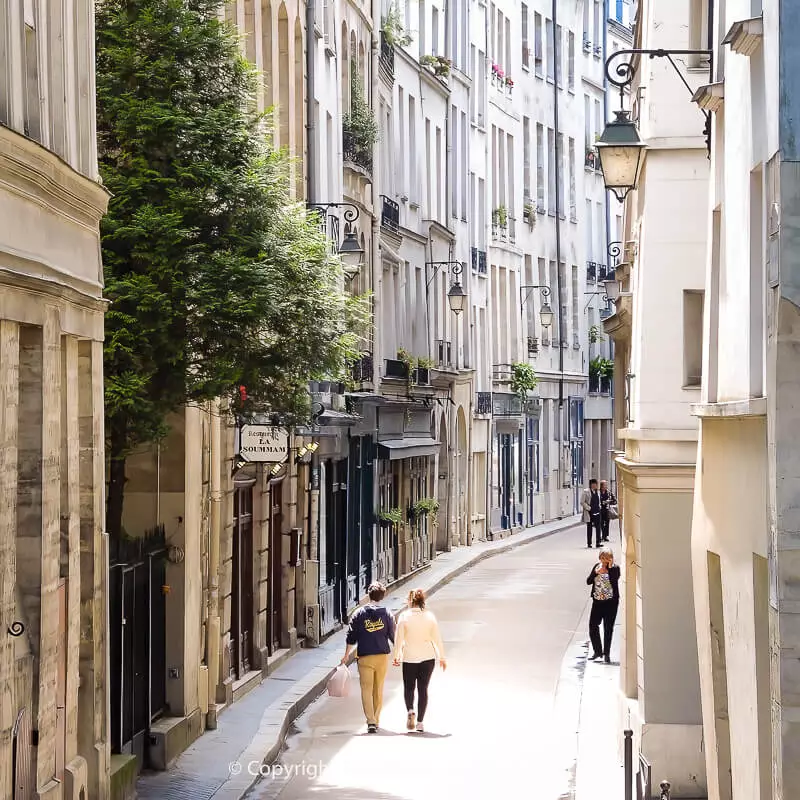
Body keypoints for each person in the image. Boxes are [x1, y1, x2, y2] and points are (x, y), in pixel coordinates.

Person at [341, 582, 396, 733]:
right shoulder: (387, 613)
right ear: (382, 596)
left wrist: (346, 655)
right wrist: (399, 652)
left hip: (365, 656)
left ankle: (370, 721)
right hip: (381, 656)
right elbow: (393, 636)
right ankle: (376, 720)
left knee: (366, 689)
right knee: (378, 689)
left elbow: (351, 636)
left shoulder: (358, 613)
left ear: (369, 594)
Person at [392, 588, 446, 733]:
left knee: (409, 687)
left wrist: (396, 656)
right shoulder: (429, 616)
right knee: (423, 689)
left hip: (409, 657)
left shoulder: (404, 616)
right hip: (428, 658)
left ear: (410, 601)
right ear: (423, 601)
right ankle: (420, 722)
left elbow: (399, 639)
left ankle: (410, 710)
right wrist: (442, 656)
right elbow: (437, 638)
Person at [587, 548, 620, 664]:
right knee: (593, 626)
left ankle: (607, 654)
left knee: (608, 628)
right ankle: (598, 651)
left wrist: (609, 569)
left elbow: (615, 581)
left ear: (611, 558)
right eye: (602, 558)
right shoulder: (597, 566)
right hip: (597, 601)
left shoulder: (615, 569)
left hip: (611, 603)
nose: (604, 561)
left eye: (607, 558)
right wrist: (596, 572)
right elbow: (588, 581)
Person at [581, 479, 603, 548]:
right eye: (593, 484)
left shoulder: (598, 492)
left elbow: (599, 500)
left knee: (598, 527)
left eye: (596, 484)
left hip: (597, 511)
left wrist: (599, 506)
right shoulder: (586, 492)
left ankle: (598, 542)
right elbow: (582, 502)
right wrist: (588, 508)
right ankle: (589, 543)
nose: (595, 485)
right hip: (589, 512)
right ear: (591, 485)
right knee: (589, 528)